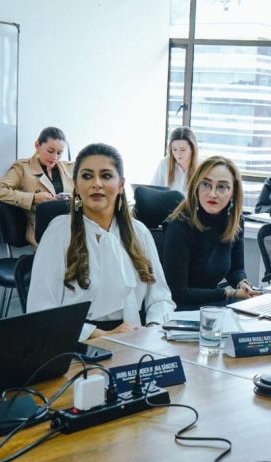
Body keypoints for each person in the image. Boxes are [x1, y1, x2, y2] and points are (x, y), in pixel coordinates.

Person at [27, 143, 174, 340]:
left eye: (106, 176)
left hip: (136, 337)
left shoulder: (139, 232)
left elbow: (161, 299)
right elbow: (41, 310)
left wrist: (152, 328)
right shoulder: (59, 233)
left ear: (121, 185)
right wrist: (101, 335)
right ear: (76, 184)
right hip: (76, 339)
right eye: (87, 176)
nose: (96, 183)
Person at [161, 156, 259, 310]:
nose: (212, 194)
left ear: (233, 193)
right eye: (206, 184)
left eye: (222, 187)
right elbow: (178, 293)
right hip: (180, 310)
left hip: (213, 306)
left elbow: (236, 269)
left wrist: (242, 283)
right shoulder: (179, 226)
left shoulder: (235, 221)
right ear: (196, 187)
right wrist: (229, 293)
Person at [0, 126, 75, 248]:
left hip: (74, 230)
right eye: (50, 151)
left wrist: (74, 202)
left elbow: (84, 200)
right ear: (37, 146)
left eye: (59, 153)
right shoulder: (23, 168)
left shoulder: (71, 168)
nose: (55, 157)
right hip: (44, 235)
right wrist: (33, 198)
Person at [150, 126, 199, 193]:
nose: (178, 154)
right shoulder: (165, 163)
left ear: (192, 149)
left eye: (183, 150)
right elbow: (153, 191)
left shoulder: (201, 166)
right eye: (174, 149)